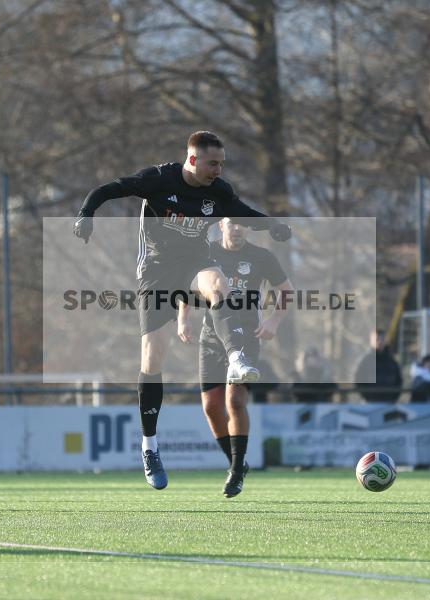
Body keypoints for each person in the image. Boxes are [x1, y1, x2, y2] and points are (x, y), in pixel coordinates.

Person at [73, 131, 291, 490]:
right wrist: (86, 214)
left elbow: (243, 213)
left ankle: (236, 356)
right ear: (192, 160)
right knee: (152, 359)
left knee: (218, 284)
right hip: (157, 273)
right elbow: (110, 188)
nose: (218, 170)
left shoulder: (218, 191)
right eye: (212, 163)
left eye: (221, 163)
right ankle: (150, 446)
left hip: (194, 265)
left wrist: (274, 225)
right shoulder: (159, 180)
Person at [177, 218, 292, 497]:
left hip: (247, 337)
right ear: (221, 225)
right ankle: (235, 463)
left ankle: (237, 469)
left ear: (249, 228)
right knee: (211, 407)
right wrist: (183, 319)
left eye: (243, 224)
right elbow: (188, 285)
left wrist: (274, 322)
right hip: (211, 338)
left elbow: (286, 291)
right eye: (232, 223)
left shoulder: (261, 257)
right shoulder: (207, 252)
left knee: (235, 400)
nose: (237, 228)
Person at [354, 329, 403, 403]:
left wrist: (393, 398)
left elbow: (399, 381)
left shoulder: (392, 361)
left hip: (389, 403)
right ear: (371, 341)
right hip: (370, 404)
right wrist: (368, 397)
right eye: (377, 339)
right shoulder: (365, 361)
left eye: (382, 339)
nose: (379, 342)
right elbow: (358, 381)